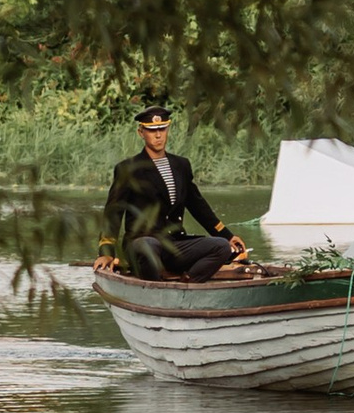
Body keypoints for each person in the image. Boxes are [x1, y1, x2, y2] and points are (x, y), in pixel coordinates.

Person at [100, 105, 254, 282]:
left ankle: (187, 282)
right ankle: (155, 288)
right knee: (147, 246)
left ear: (167, 129)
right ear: (141, 132)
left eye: (162, 129)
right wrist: (106, 253)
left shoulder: (181, 165)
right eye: (152, 130)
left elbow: (198, 205)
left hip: (174, 244)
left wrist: (227, 235)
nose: (158, 135)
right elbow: (113, 214)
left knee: (221, 247)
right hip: (142, 244)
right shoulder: (128, 168)